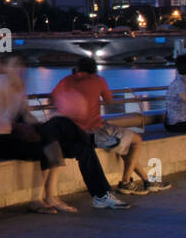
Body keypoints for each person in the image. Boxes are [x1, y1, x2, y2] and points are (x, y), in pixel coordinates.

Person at [0, 54, 129, 212]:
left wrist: (38, 125)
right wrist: (25, 126)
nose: (19, 69)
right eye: (14, 65)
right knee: (52, 137)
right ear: (4, 67)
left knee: (80, 146)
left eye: (20, 65)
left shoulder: (18, 85)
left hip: (17, 134)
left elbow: (26, 115)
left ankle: (101, 196)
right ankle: (40, 200)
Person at [50, 58, 168, 196]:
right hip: (95, 130)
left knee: (123, 146)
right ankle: (125, 183)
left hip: (72, 132)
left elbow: (53, 98)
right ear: (94, 69)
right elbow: (109, 100)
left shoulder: (66, 80)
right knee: (136, 141)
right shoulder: (98, 80)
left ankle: (147, 180)